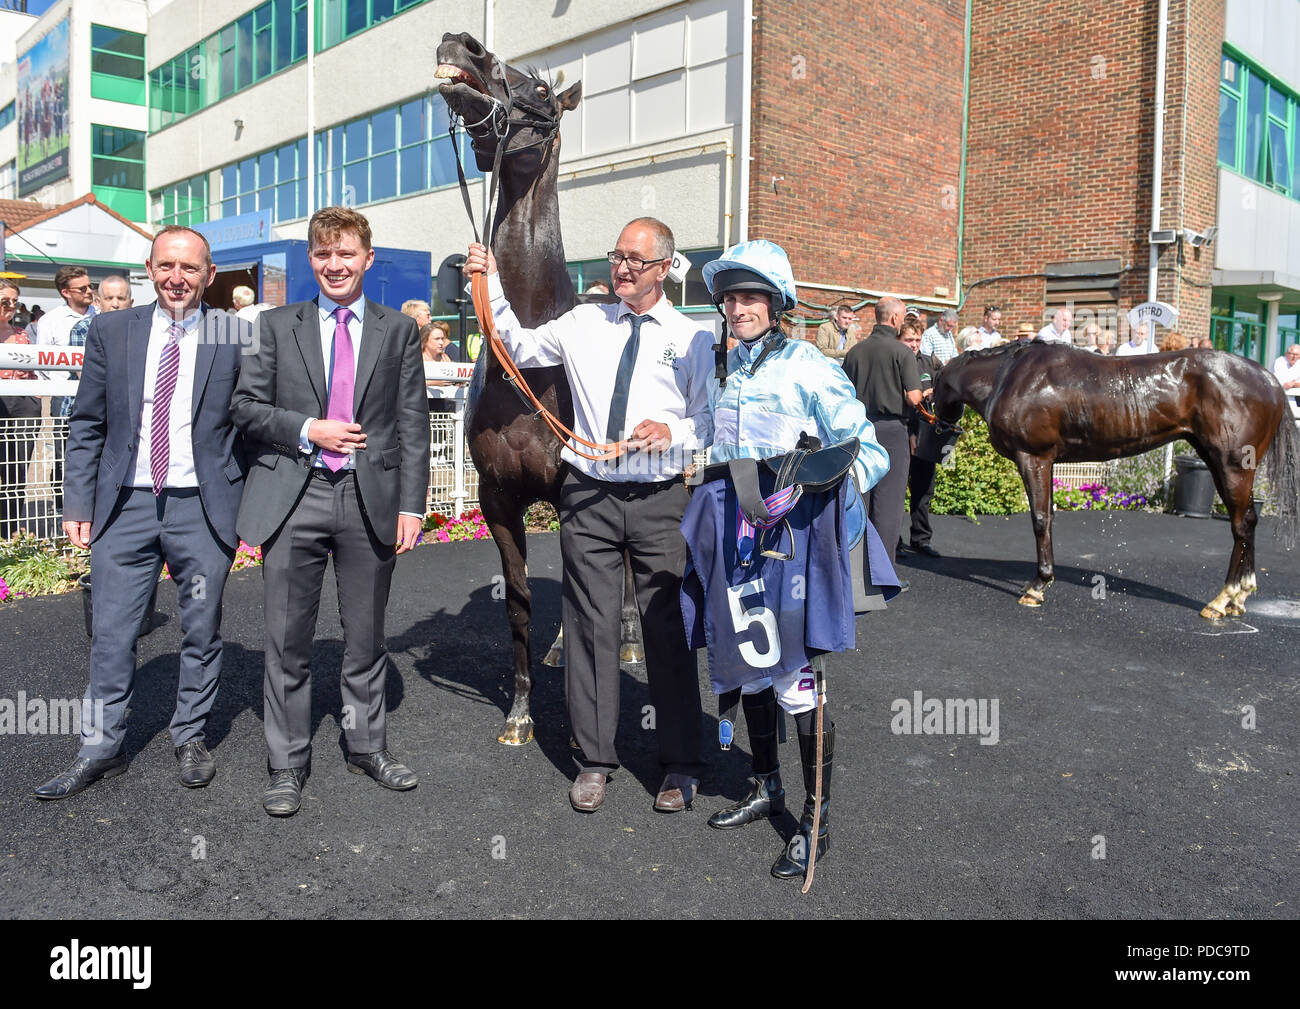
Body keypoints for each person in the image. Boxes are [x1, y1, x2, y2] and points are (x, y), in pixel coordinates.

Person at [464, 217, 714, 815]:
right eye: (616, 255)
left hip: (660, 501)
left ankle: (680, 761)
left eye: (635, 259)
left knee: (667, 632)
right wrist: (490, 281)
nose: (622, 267)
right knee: (588, 629)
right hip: (590, 495)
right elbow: (514, 345)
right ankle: (594, 761)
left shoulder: (695, 337)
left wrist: (674, 429)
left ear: (663, 269)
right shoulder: (582, 323)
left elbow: (710, 421)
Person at [694, 239, 890, 879]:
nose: (737, 307)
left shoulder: (807, 364)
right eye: (730, 297)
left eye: (751, 296)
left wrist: (815, 493)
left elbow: (866, 451)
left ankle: (815, 818)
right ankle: (764, 785)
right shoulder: (732, 370)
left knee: (795, 682)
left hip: (793, 546)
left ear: (776, 304)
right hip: (737, 540)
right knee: (749, 662)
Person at [33, 227, 249, 800]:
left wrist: (249, 506)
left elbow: (251, 423)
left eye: (191, 268)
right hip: (125, 506)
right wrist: (77, 502)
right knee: (111, 633)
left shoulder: (235, 333)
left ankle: (191, 736)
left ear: (209, 273)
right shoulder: (110, 329)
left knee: (200, 629)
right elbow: (88, 423)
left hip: (201, 509)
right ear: (149, 268)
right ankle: (100, 751)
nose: (178, 277)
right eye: (167, 266)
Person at [232, 206, 431, 818]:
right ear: (310, 261)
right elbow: (244, 407)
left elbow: (412, 423)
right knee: (287, 640)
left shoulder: (397, 330)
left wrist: (413, 505)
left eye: (346, 253)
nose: (334, 264)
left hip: (368, 498)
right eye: (323, 254)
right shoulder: (272, 325)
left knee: (366, 637)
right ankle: (287, 763)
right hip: (295, 494)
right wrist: (307, 428)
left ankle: (366, 745)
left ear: (368, 259)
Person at [843, 296, 922, 580]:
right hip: (891, 432)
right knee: (888, 505)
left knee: (859, 501)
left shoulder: (854, 352)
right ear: (894, 319)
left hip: (859, 430)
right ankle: (882, 575)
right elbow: (914, 398)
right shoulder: (902, 353)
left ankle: (854, 572)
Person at [34, 265, 97, 517]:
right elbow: (40, 361)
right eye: (82, 288)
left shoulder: (101, 315)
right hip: (66, 398)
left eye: (90, 286)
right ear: (65, 292)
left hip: (97, 397)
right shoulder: (51, 321)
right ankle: (63, 508)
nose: (89, 291)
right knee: (64, 454)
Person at [900, 317, 943, 557]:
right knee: (896, 492)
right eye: (909, 339)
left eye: (917, 339)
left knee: (924, 489)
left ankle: (921, 539)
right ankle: (893, 541)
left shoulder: (928, 362)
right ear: (900, 338)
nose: (914, 344)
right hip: (904, 431)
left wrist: (934, 393)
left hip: (926, 434)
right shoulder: (896, 360)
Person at [0, 280, 40, 540]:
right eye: (6, 301)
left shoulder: (22, 333)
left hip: (23, 403)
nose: (12, 306)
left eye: (15, 301)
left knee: (16, 470)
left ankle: (9, 530)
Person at [1273, 343, 1300, 417]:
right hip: (1278, 397)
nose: (1293, 357)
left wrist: (1293, 384)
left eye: (1296, 354)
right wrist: (1293, 383)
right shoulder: (1280, 361)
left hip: (1296, 399)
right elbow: (1277, 379)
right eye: (1291, 354)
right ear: (1286, 354)